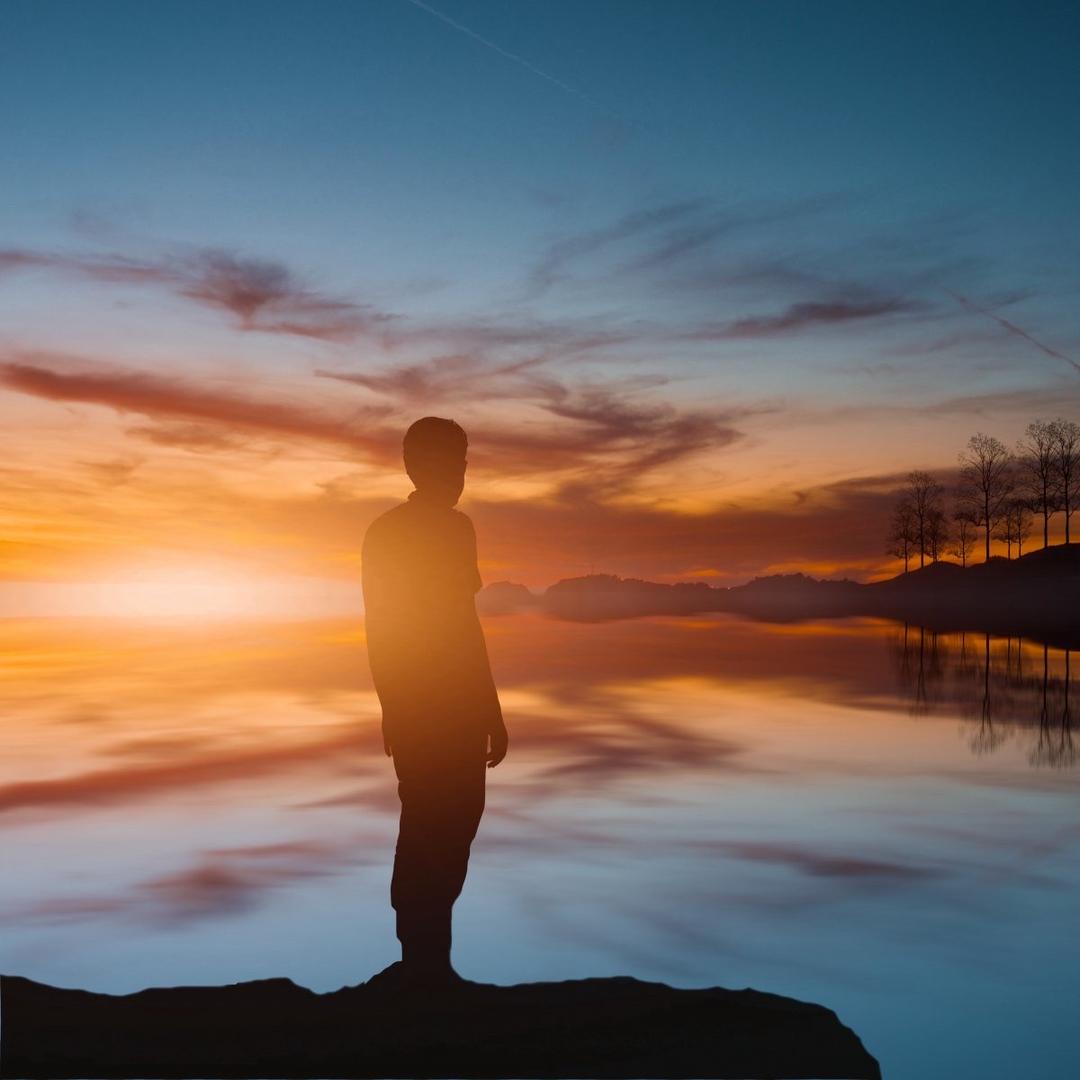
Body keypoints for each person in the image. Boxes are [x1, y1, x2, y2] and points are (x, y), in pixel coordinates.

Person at [361, 416, 508, 983]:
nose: (459, 475)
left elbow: (465, 623)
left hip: (462, 704)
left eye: (463, 463)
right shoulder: (388, 533)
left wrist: (490, 708)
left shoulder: (458, 529)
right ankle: (418, 964)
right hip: (421, 705)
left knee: (459, 821)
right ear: (415, 467)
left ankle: (434, 964)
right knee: (426, 823)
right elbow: (382, 626)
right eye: (449, 463)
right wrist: (394, 707)